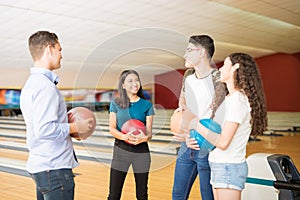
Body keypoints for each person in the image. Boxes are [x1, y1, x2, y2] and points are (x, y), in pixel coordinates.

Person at [20, 30, 93, 200]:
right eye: (59, 49)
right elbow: (45, 130)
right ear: (49, 49)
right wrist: (76, 127)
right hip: (55, 169)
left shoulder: (30, 84)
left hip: (42, 166)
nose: (61, 55)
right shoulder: (45, 87)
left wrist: (67, 127)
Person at [184, 53, 268, 200]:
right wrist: (193, 139)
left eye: (225, 65)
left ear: (236, 68)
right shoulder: (229, 98)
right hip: (219, 164)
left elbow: (222, 142)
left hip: (228, 167)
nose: (220, 69)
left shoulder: (238, 100)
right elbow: (215, 133)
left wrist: (195, 124)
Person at [172, 35, 226, 200]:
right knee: (178, 195)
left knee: (207, 196)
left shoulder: (219, 77)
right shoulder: (188, 75)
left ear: (202, 52)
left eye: (189, 50)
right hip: (187, 144)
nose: (185, 54)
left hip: (207, 145)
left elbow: (219, 114)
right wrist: (182, 115)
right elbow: (183, 99)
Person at [107, 69, 154, 200]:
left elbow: (149, 132)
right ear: (123, 85)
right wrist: (124, 137)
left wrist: (144, 138)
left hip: (141, 152)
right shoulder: (115, 103)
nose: (135, 83)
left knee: (142, 194)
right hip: (121, 151)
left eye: (137, 80)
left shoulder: (147, 105)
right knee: (114, 194)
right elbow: (111, 128)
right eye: (130, 81)